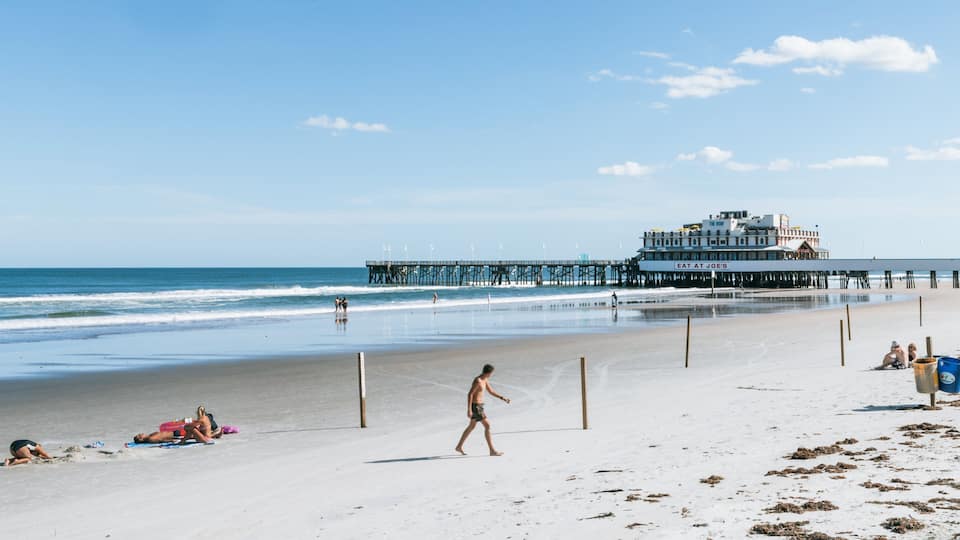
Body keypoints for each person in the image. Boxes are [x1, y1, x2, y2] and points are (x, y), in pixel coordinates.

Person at [455, 364, 510, 456]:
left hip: (480, 406)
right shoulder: (478, 381)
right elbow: (470, 394)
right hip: (476, 407)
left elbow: (491, 391)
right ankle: (492, 450)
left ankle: (459, 446)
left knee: (471, 427)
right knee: (487, 426)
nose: (491, 375)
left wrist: (502, 397)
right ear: (488, 373)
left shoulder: (485, 380)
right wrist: (469, 410)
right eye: (491, 373)